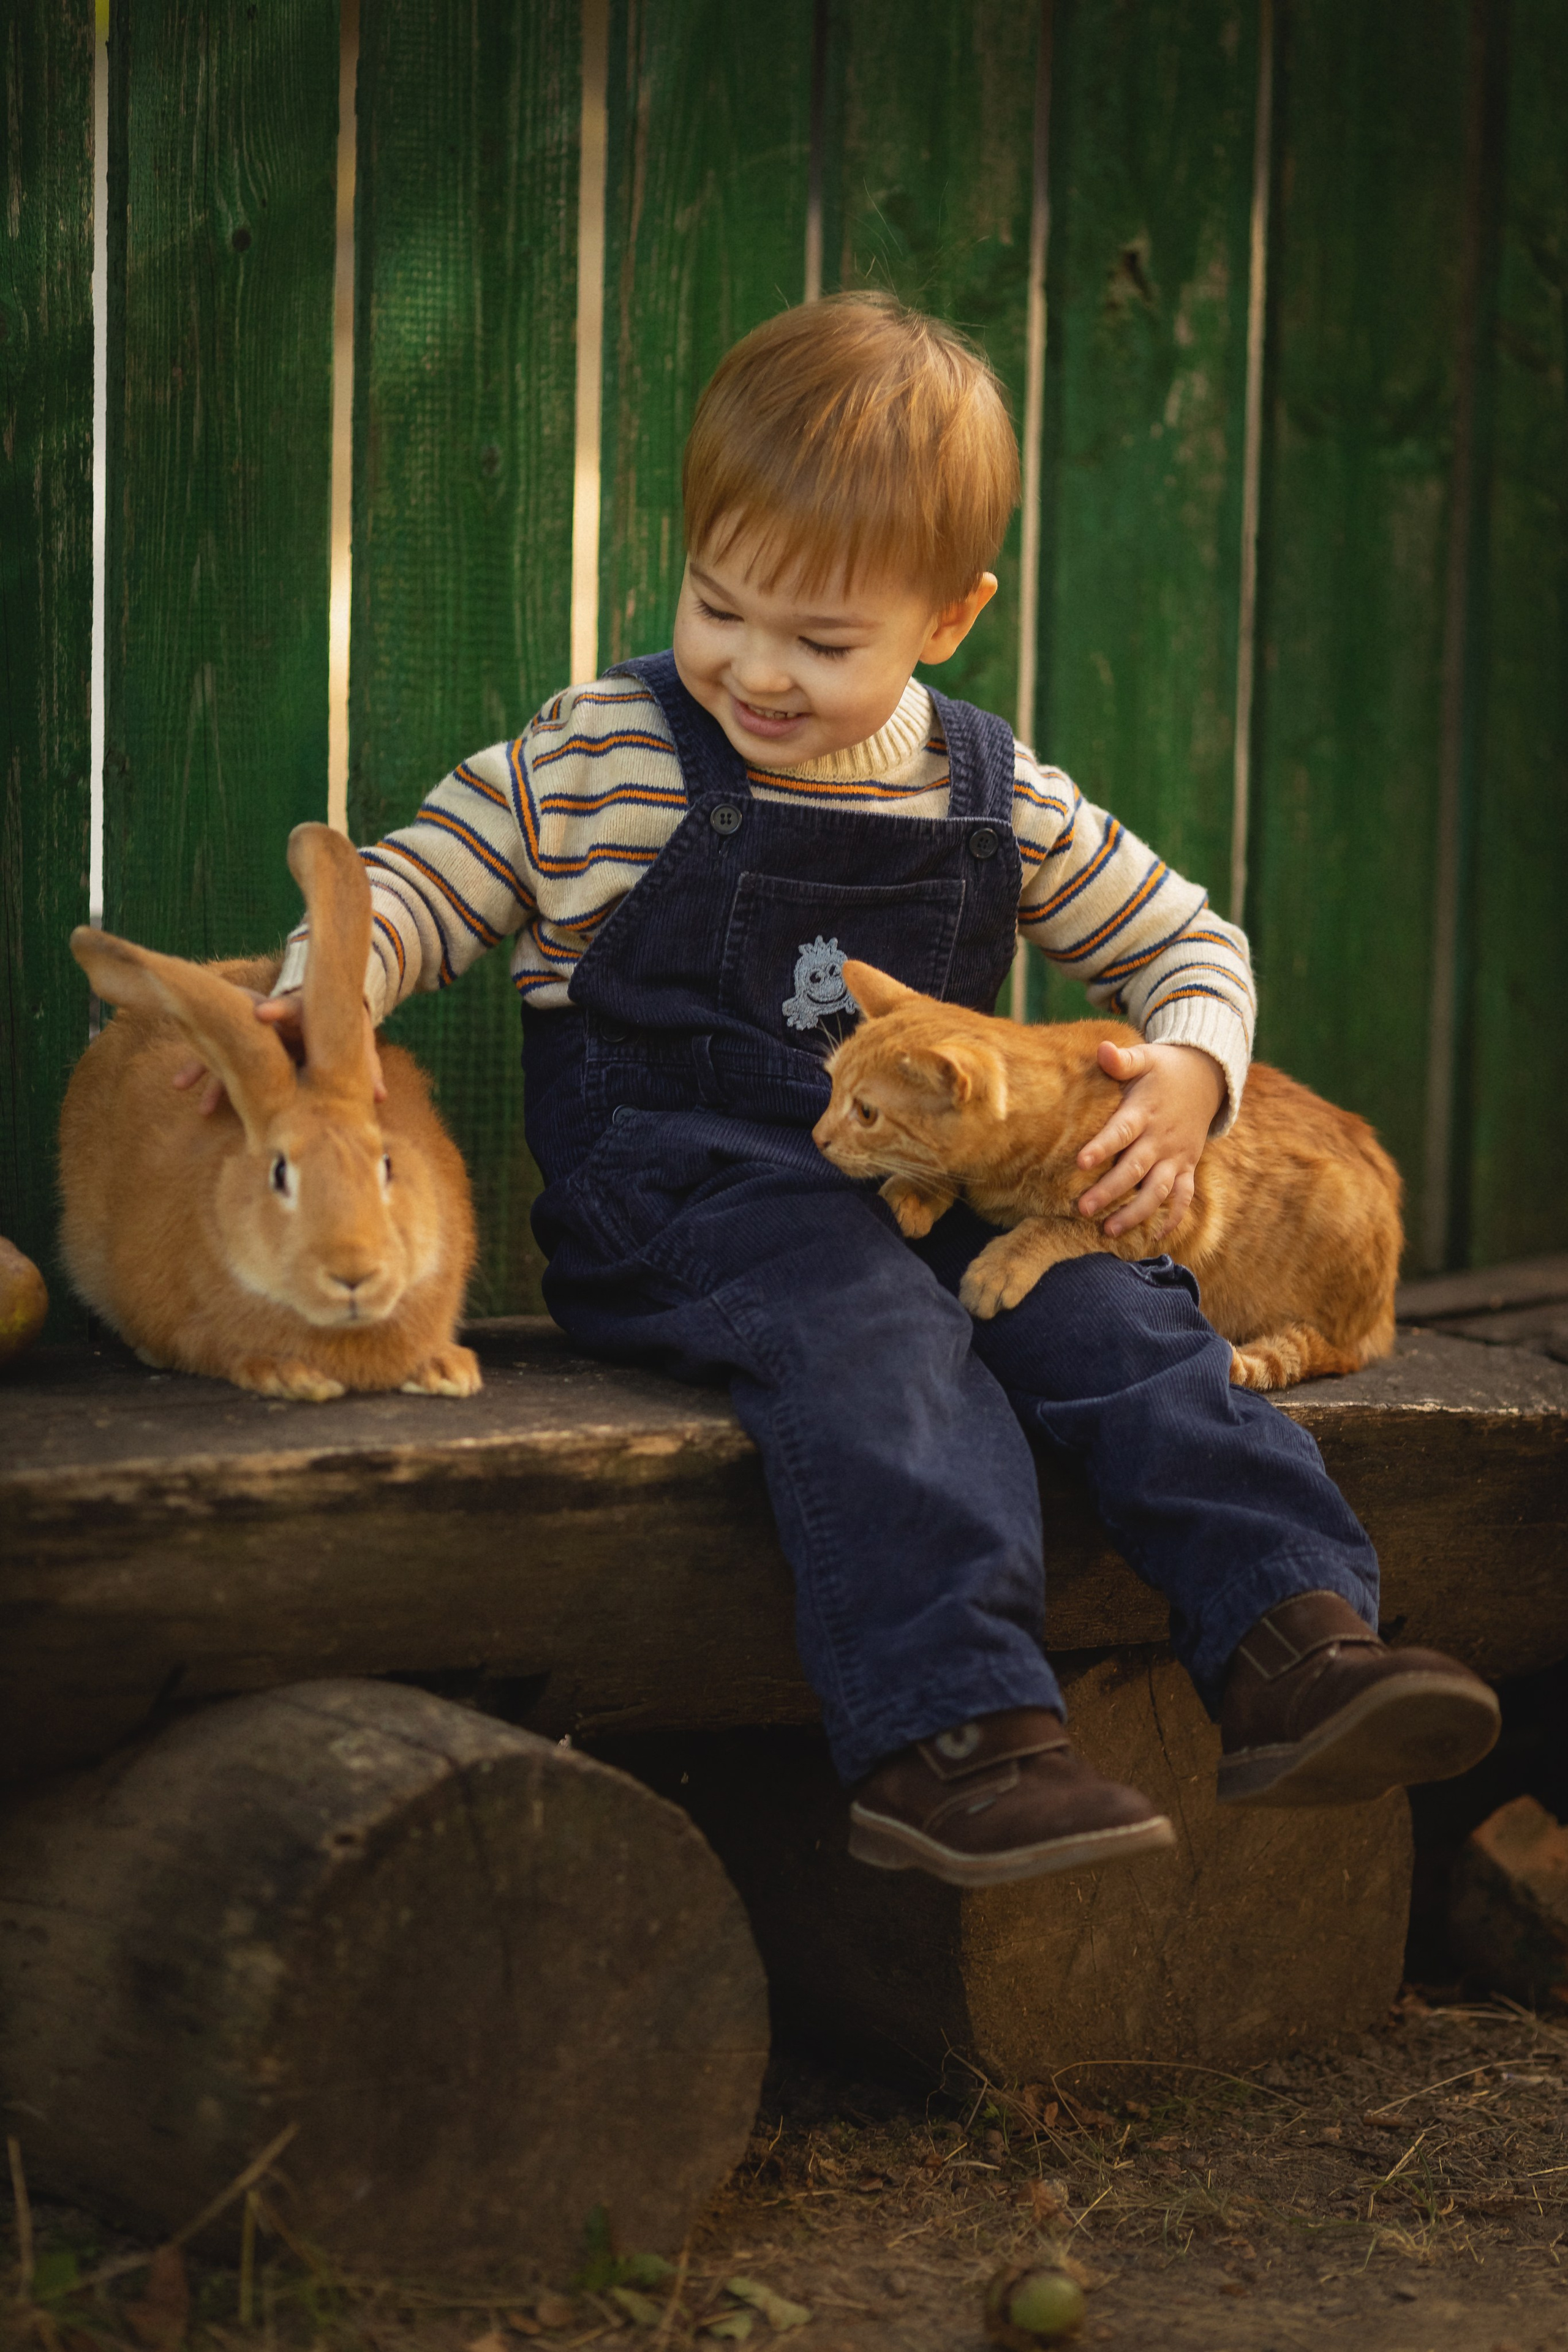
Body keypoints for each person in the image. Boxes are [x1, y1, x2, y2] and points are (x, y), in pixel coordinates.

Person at [220, 293, 1500, 1885]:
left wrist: (1188, 1072)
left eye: (821, 642)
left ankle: (1297, 1642)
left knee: (1118, 1317)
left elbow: (1191, 943)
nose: (755, 669)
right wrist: (308, 994)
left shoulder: (991, 787)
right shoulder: (608, 752)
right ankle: (956, 1735)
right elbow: (428, 885)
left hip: (926, 1187)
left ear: (948, 616)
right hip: (687, 1196)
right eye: (720, 606)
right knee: (885, 1341)